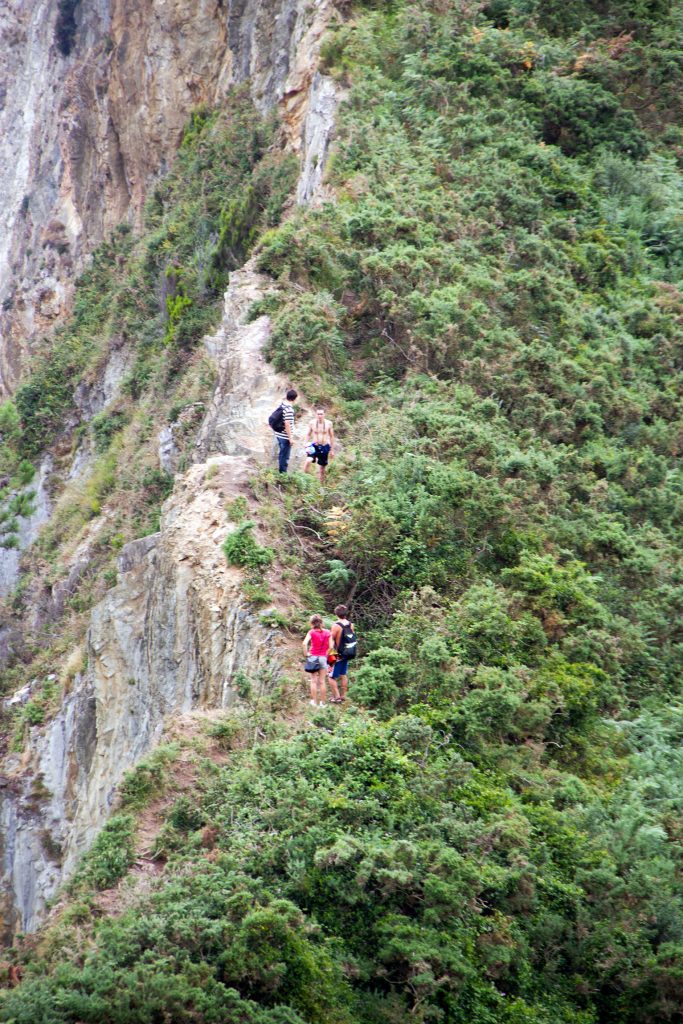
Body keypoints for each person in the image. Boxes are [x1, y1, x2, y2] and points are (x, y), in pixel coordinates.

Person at [328, 604, 357, 701]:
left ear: (336, 614)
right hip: (347, 652)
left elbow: (331, 639)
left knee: (331, 676)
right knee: (343, 674)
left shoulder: (336, 626)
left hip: (336, 653)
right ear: (345, 614)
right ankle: (343, 695)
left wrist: (330, 651)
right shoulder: (350, 624)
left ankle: (336, 697)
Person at [302, 614, 332, 707]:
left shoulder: (311, 632)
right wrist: (328, 658)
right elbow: (331, 647)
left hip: (313, 658)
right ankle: (323, 703)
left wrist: (306, 654)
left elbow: (304, 644)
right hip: (323, 658)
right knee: (322, 681)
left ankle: (314, 702)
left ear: (312, 623)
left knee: (313, 681)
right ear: (321, 622)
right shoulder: (328, 632)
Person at [304, 406, 335, 483]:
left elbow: (331, 436)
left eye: (321, 414)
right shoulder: (312, 423)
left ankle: (320, 485)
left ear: (324, 414)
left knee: (322, 468)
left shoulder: (329, 423)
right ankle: (304, 480)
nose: (319, 416)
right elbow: (308, 434)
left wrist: (332, 450)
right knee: (308, 461)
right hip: (314, 446)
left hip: (325, 446)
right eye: (318, 414)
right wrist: (305, 443)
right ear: (316, 414)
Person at [270, 388, 297, 473]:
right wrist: (290, 438)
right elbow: (287, 424)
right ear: (295, 399)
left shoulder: (282, 405)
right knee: (284, 456)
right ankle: (282, 474)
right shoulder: (289, 409)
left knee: (282, 454)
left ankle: (280, 471)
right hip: (285, 436)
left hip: (278, 434)